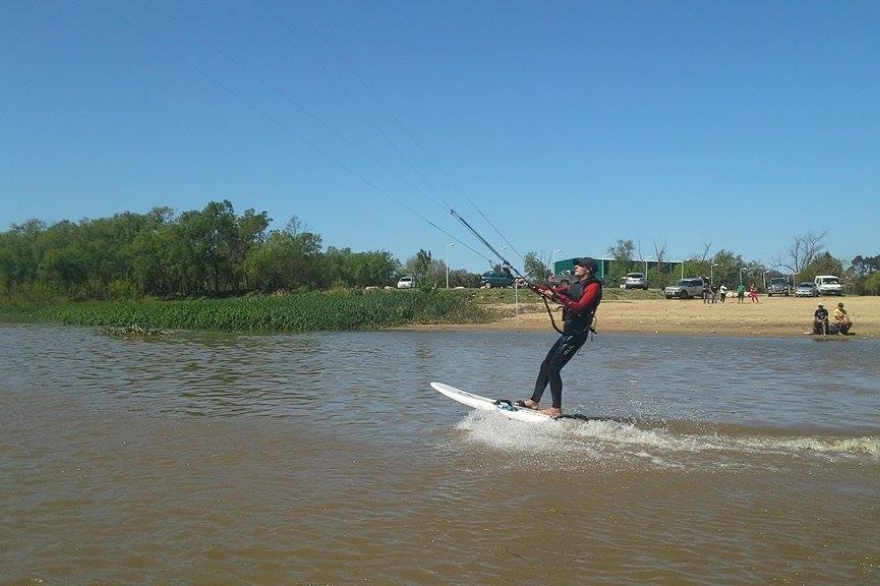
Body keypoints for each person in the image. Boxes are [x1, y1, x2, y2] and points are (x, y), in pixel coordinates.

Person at [516, 257, 602, 417]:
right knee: (546, 364)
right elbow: (551, 292)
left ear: (589, 269)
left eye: (580, 265)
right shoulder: (576, 285)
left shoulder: (593, 286)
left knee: (554, 368)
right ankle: (534, 401)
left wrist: (557, 297)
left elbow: (579, 307)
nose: (576, 267)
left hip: (577, 334)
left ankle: (556, 408)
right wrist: (528, 285)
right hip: (568, 333)